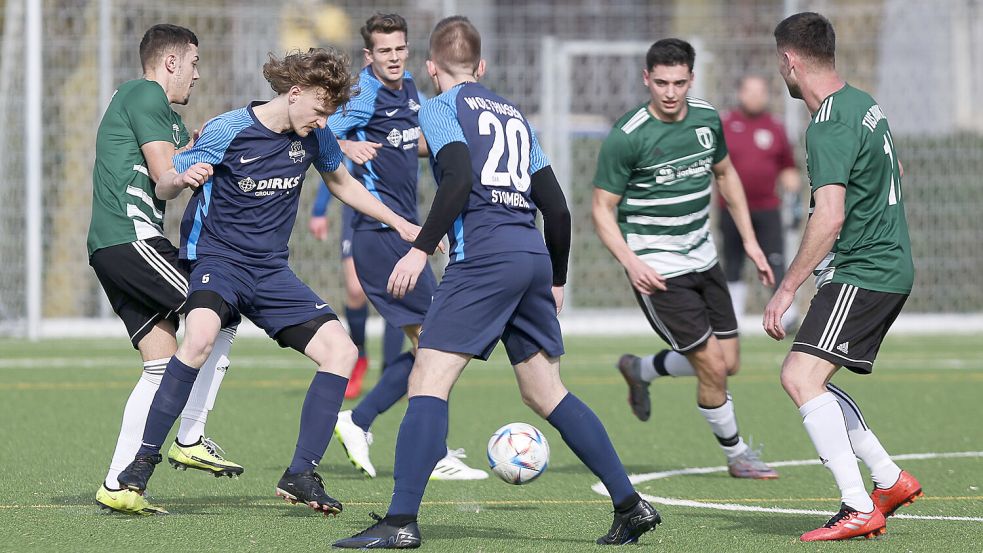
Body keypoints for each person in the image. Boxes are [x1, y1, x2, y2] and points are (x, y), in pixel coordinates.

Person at [334, 16, 660, 549]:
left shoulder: (440, 107)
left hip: (483, 260)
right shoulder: (514, 115)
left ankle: (398, 523)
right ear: (482, 67)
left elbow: (459, 178)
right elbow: (557, 209)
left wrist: (418, 250)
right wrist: (556, 278)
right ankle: (630, 503)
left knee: (428, 381)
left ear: (431, 67)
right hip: (530, 254)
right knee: (545, 390)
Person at [115, 47, 421, 516]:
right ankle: (142, 462)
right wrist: (182, 178)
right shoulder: (229, 128)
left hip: (271, 270)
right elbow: (165, 184)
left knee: (341, 351)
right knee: (197, 337)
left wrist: (400, 223)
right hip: (219, 260)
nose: (324, 122)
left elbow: (341, 182)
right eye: (320, 110)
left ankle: (301, 473)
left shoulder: (315, 134)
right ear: (295, 92)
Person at [592, 38, 779, 480]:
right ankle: (738, 456)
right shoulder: (628, 135)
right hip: (658, 268)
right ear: (646, 79)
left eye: (679, 82)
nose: (670, 92)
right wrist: (631, 262)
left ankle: (640, 369)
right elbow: (602, 209)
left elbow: (725, 174)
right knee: (713, 367)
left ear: (691, 79)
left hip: (704, 258)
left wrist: (750, 242)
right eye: (661, 83)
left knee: (729, 361)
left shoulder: (707, 118)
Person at [766, 12, 920, 542]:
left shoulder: (826, 124)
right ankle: (890, 480)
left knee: (799, 378)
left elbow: (828, 216)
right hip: (884, 265)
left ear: (790, 61)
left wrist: (786, 289)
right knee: (815, 379)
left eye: (779, 64)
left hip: (866, 269)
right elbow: (893, 173)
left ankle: (858, 506)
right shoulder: (863, 103)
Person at [319, 12, 486, 482]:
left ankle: (406, 439)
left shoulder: (411, 87)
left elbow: (401, 143)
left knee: (432, 344)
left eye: (400, 49)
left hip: (405, 234)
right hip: (380, 235)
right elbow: (313, 126)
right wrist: (344, 145)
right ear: (368, 55)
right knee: (437, 344)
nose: (393, 59)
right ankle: (374, 426)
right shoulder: (364, 94)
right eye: (384, 51)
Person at [87, 23, 242, 516]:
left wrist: (195, 152)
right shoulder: (144, 93)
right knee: (222, 312)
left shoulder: (163, 114)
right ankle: (191, 434)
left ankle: (118, 483)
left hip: (113, 247)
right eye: (193, 63)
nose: (197, 75)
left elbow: (173, 162)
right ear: (171, 61)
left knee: (160, 364)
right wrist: (183, 171)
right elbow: (163, 182)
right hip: (132, 239)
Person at [719, 75, 802, 325]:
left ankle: (784, 316)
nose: (755, 96)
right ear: (740, 93)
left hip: (767, 209)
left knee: (775, 260)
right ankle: (733, 318)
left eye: (760, 91)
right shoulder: (725, 124)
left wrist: (795, 199)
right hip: (731, 209)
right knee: (732, 262)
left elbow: (788, 168)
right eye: (750, 91)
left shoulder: (775, 127)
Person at [308, 196, 405, 399]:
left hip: (396, 204)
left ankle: (391, 372)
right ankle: (359, 356)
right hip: (357, 208)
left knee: (395, 289)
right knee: (355, 289)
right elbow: (334, 165)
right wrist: (319, 209)